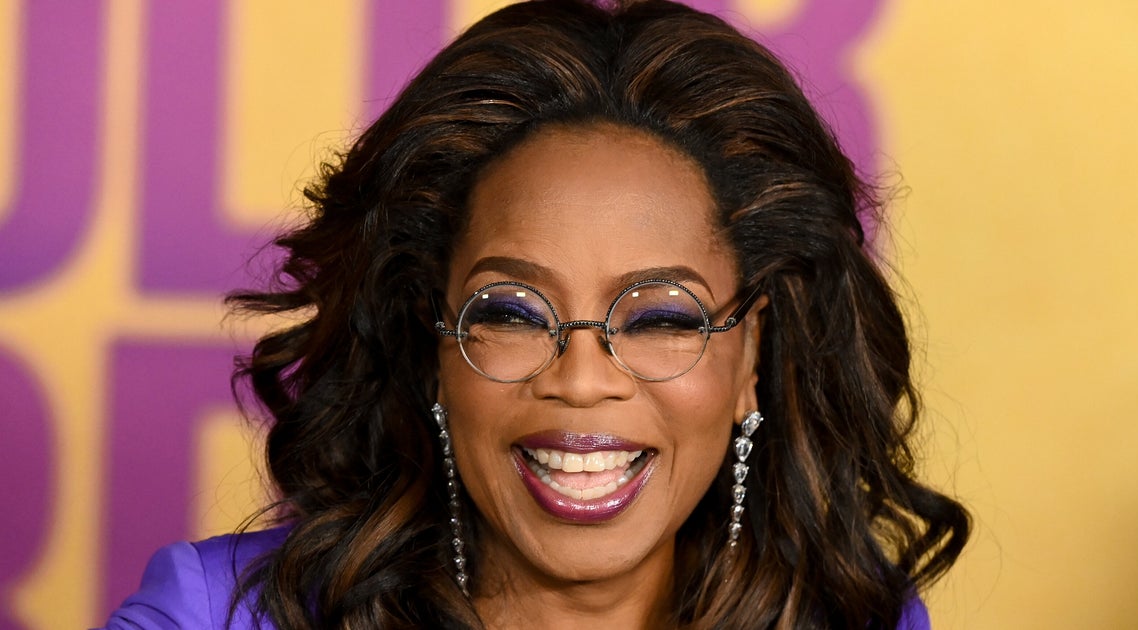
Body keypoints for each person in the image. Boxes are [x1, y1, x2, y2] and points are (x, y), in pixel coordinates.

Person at [101, 0, 969, 627]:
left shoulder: (856, 620)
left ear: (750, 355)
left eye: (661, 319)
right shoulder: (214, 613)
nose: (582, 380)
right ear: (432, 343)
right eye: (513, 311)